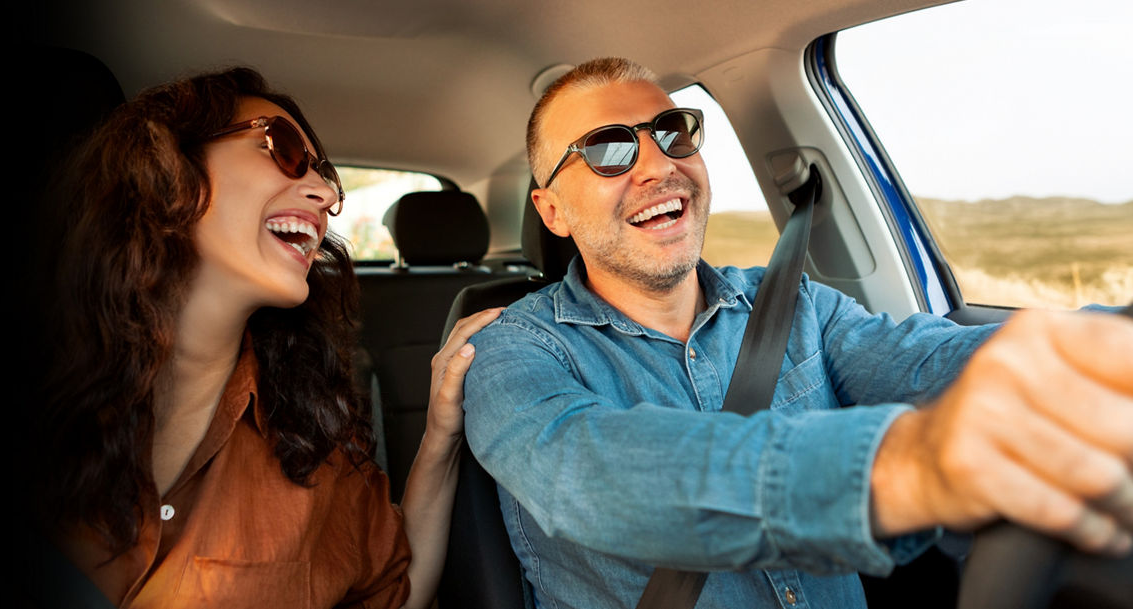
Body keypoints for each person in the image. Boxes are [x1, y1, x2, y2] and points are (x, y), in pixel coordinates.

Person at [461, 57, 1133, 608]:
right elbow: (589, 475)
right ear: (551, 210)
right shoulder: (509, 353)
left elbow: (927, 359)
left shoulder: (792, 303)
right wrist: (908, 465)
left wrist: (1094, 355)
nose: (658, 165)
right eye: (608, 150)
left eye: (672, 132)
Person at [26, 66, 502, 609]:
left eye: (328, 179)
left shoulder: (313, 444)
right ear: (167, 164)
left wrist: (440, 435)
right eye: (284, 148)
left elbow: (400, 591)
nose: (324, 193)